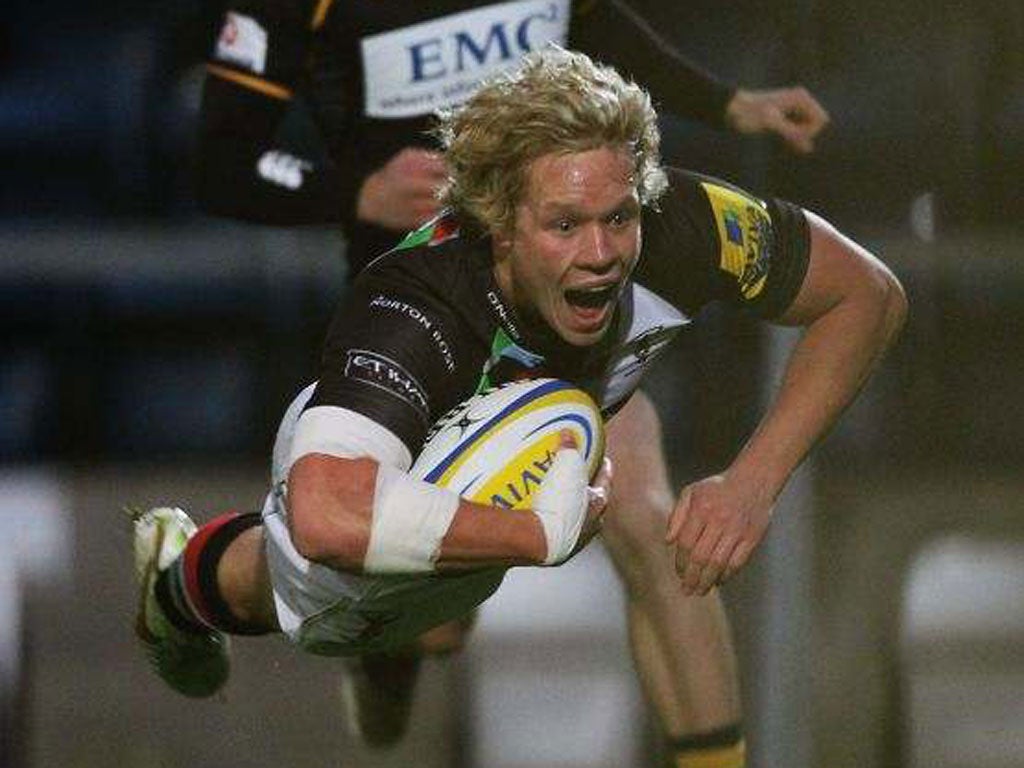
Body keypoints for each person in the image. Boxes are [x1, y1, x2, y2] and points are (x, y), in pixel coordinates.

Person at [136, 47, 904, 767]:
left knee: (647, 518)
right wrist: (534, 535)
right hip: (417, 430)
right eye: (564, 225)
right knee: (408, 612)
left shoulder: (682, 224)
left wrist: (751, 485)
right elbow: (327, 515)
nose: (601, 253)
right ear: (499, 224)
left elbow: (867, 294)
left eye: (619, 217)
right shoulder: (415, 309)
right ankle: (181, 586)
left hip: (582, 399)